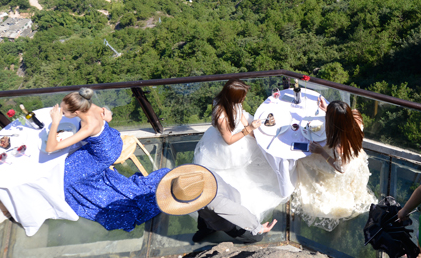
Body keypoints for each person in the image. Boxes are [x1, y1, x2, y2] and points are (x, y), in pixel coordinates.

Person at [48, 88, 171, 232]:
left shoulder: (88, 126)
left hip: (103, 155)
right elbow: (109, 116)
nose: (62, 114)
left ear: (76, 112)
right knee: (69, 164)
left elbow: (51, 147)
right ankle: (89, 183)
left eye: (64, 112)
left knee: (64, 177)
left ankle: (81, 195)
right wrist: (106, 115)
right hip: (112, 141)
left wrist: (55, 122)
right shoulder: (90, 106)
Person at [192, 79, 284, 220]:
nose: (244, 98)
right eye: (242, 96)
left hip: (241, 130)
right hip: (231, 144)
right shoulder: (221, 117)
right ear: (233, 97)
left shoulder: (230, 101)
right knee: (238, 174)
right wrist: (248, 130)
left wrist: (250, 128)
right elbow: (228, 140)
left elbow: (239, 113)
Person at [291, 98, 376, 231]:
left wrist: (321, 153)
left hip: (342, 164)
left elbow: (340, 169)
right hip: (355, 156)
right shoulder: (356, 116)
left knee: (303, 159)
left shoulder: (339, 146)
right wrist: (327, 110)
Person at [156, 164, 277, 243]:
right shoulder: (199, 176)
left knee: (251, 235)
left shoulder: (217, 203)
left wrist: (258, 228)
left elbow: (240, 213)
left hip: (222, 212)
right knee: (203, 216)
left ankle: (253, 237)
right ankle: (206, 229)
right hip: (210, 205)